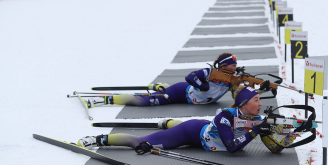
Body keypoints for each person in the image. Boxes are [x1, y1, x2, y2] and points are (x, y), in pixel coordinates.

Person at [78, 86, 297, 154]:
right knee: (141, 141)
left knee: (179, 126)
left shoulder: (257, 118)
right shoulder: (225, 117)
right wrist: (255, 132)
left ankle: (168, 122)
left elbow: (274, 149)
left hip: (206, 131)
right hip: (192, 134)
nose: (260, 105)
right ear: (243, 104)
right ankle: (97, 139)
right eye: (256, 100)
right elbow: (231, 147)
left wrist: (287, 137)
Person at [91, 53, 270, 107]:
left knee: (159, 93)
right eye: (232, 64)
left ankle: (162, 88)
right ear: (223, 66)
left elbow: (242, 96)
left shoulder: (233, 79)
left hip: (195, 98)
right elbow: (190, 77)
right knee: (147, 102)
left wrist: (264, 88)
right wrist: (203, 84)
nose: (235, 66)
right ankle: (108, 99)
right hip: (182, 93)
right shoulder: (209, 72)